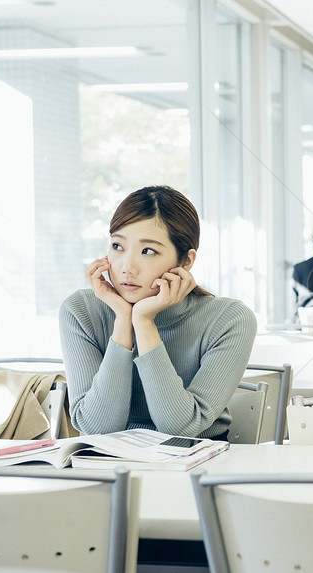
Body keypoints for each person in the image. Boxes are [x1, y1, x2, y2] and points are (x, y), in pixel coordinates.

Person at [59, 185, 257, 439]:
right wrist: (123, 319)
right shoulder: (81, 310)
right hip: (108, 465)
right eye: (117, 246)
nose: (126, 268)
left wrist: (143, 321)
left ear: (186, 261)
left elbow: (180, 429)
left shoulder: (229, 319)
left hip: (197, 464)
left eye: (148, 251)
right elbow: (98, 428)